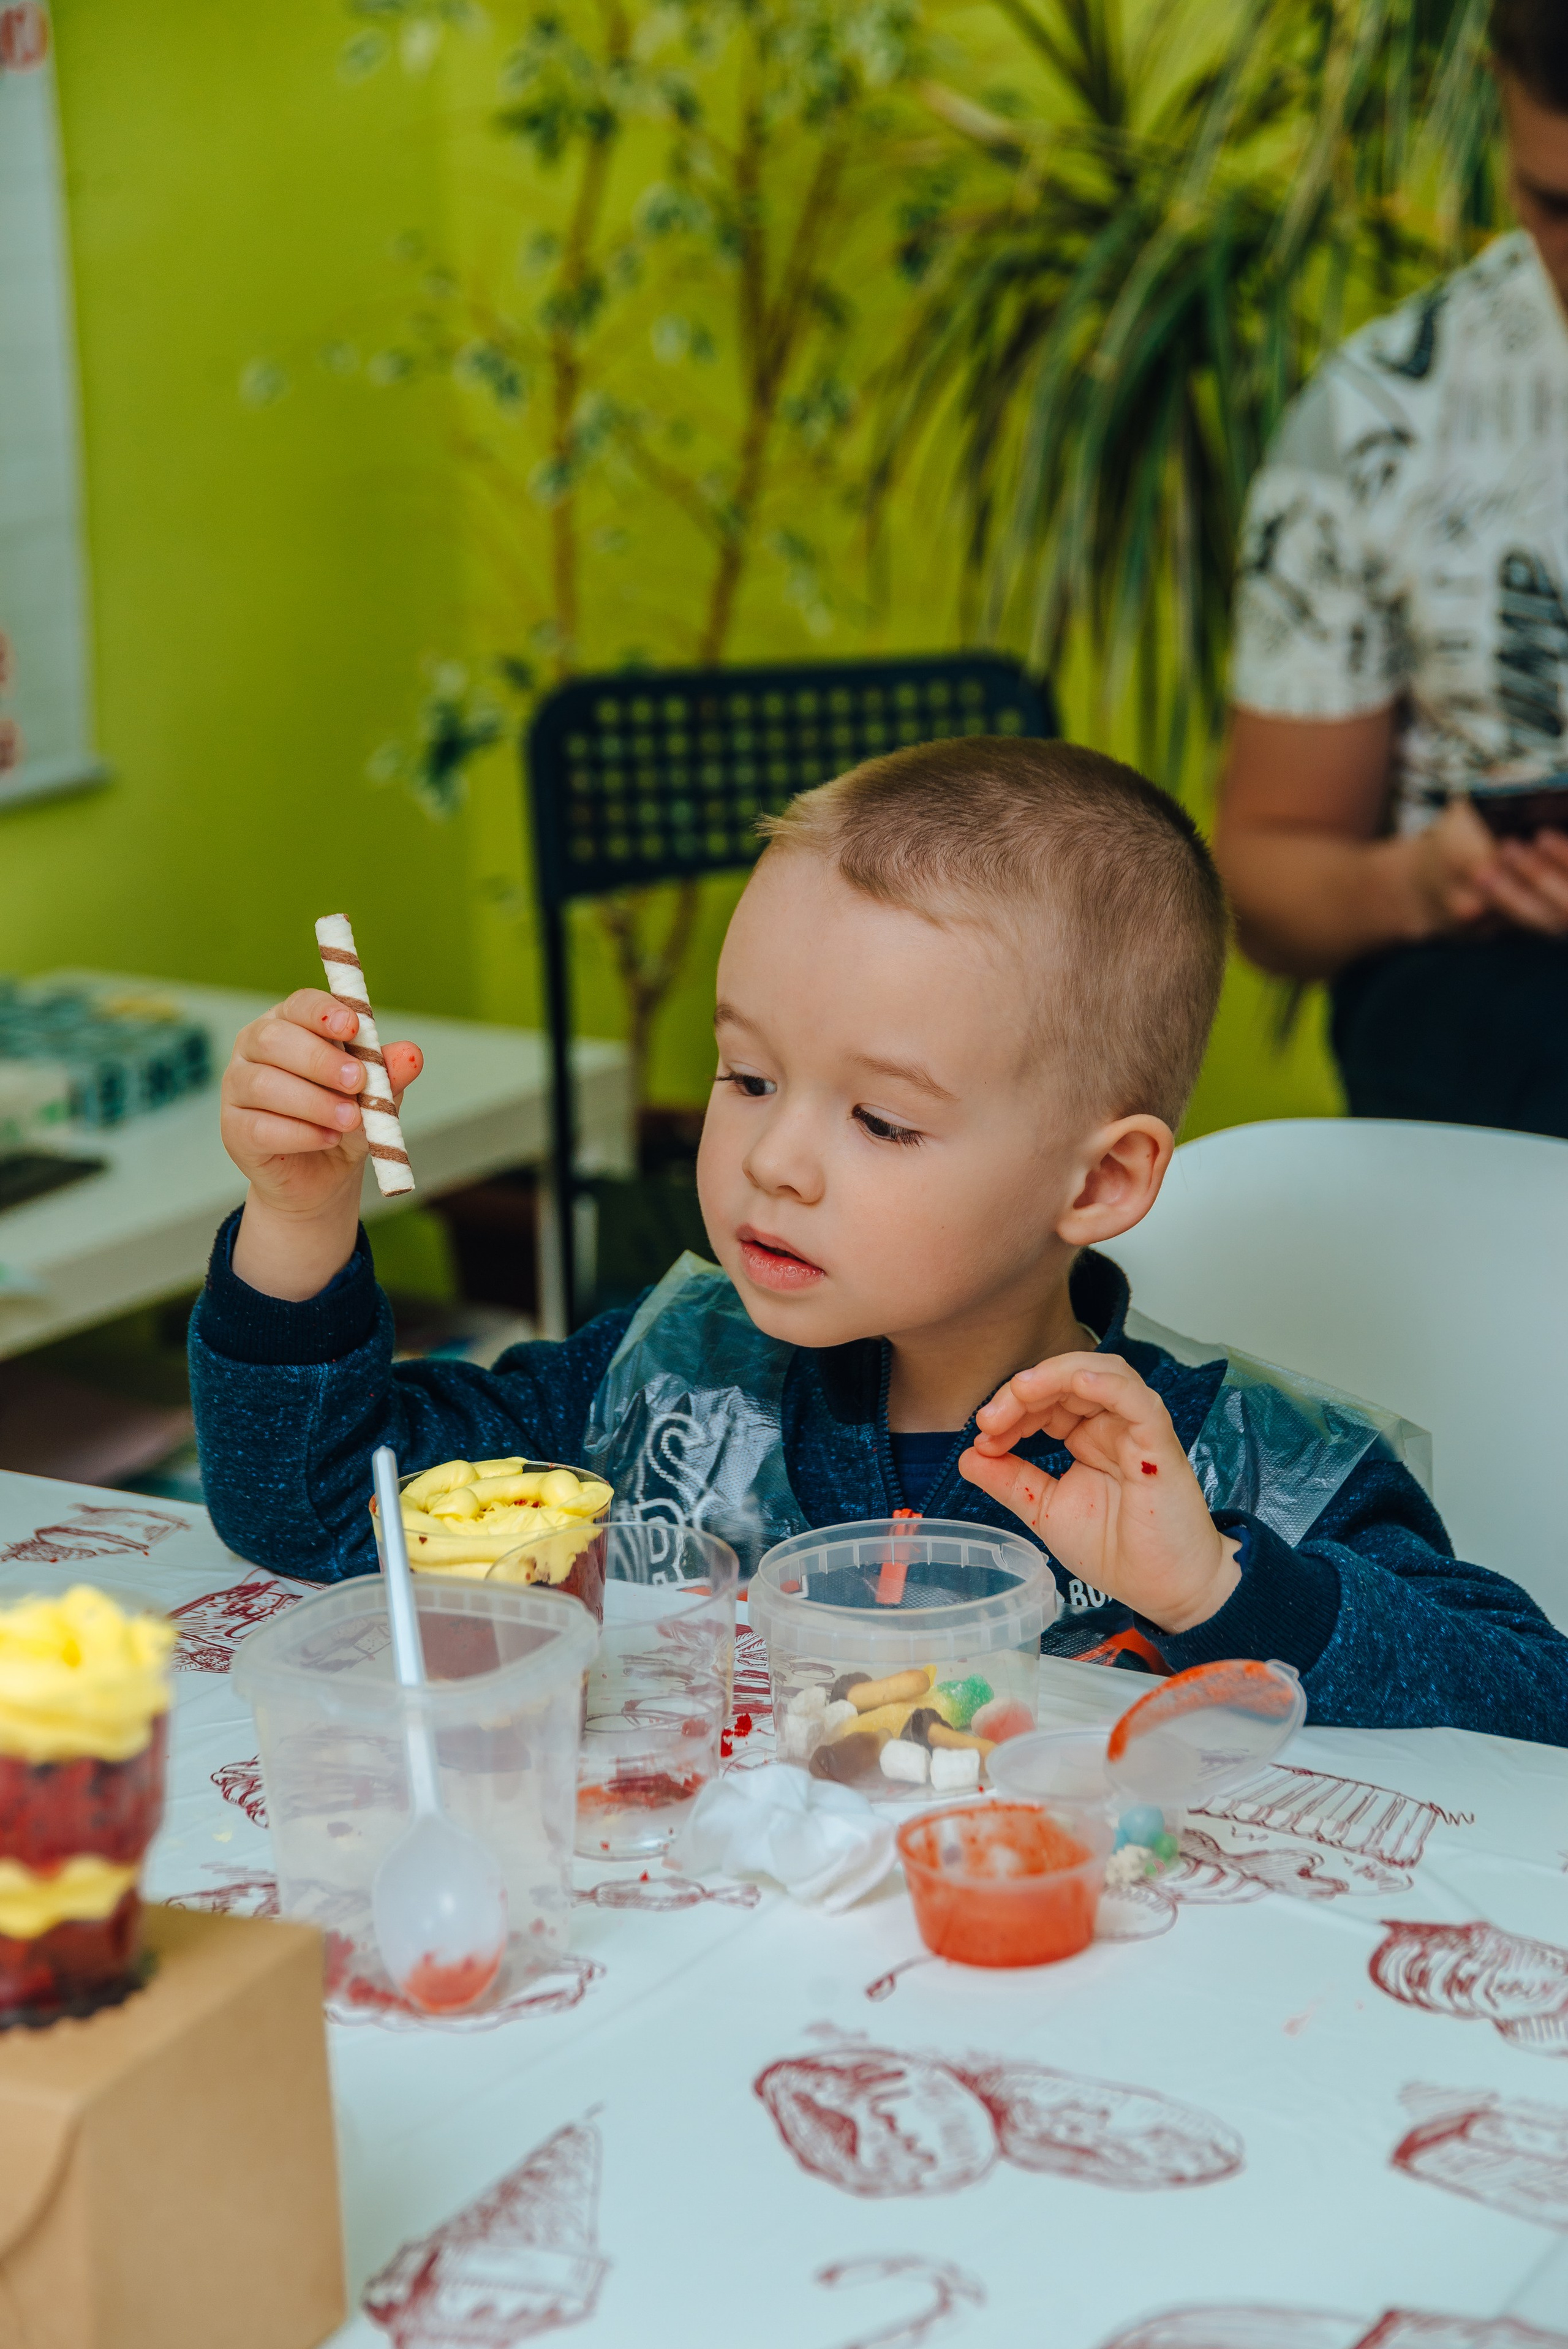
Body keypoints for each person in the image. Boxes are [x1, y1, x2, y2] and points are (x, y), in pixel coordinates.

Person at [192, 738, 1568, 1741]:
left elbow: (1531, 1706)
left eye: (882, 1121)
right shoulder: (664, 1390)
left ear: (1099, 1182)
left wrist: (1211, 1582)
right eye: (746, 1077)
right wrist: (300, 1219)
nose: (773, 1161)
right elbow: (318, 1509)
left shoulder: (1246, 1469)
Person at [1216, 0, 1568, 1134]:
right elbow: (1268, 874)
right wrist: (1419, 885)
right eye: (1557, 207)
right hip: (1496, 1010)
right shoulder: (1378, 422)